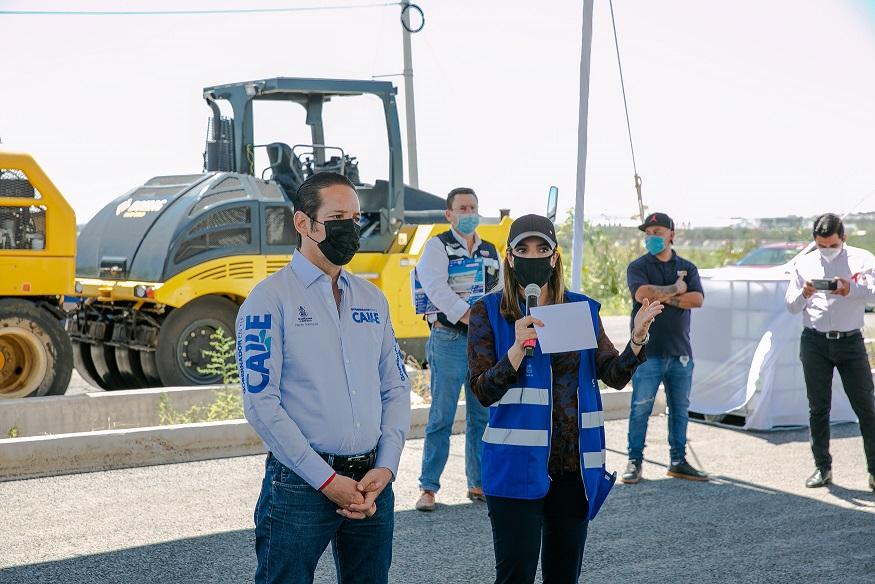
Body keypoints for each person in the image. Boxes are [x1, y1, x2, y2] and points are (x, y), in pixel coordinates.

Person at [236, 172, 411, 584]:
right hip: (300, 486)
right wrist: (328, 480)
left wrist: (385, 469)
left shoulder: (372, 299)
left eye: (355, 217)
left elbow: (395, 387)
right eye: (337, 217)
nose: (350, 228)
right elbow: (262, 404)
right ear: (304, 224)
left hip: (372, 484)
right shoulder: (268, 300)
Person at [468, 214, 662, 584]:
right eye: (523, 249)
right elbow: (482, 392)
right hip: (515, 467)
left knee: (563, 577)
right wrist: (514, 352)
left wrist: (636, 340)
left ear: (554, 258)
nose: (533, 256)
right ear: (509, 257)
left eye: (542, 249)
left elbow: (613, 374)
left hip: (574, 469)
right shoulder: (489, 311)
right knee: (515, 576)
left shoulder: (581, 309)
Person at [414, 187, 501, 511]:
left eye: (473, 207)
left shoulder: (491, 251)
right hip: (449, 340)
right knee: (441, 417)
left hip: (483, 345)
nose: (469, 213)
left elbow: (501, 291)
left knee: (482, 415)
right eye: (462, 208)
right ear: (449, 214)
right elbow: (435, 287)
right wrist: (469, 316)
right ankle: (428, 487)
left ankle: (478, 482)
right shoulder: (437, 247)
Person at [785, 213, 875, 491]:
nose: (826, 250)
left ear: (843, 238)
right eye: (821, 245)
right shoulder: (804, 262)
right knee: (818, 408)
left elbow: (873, 293)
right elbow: (791, 305)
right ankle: (822, 468)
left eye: (832, 245)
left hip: (850, 342)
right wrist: (805, 292)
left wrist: (851, 289)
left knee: (867, 408)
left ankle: (874, 470)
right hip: (814, 342)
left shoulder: (862, 259)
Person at [622, 211, 707, 484]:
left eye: (657, 232)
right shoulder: (638, 266)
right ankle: (634, 461)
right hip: (647, 352)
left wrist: (665, 295)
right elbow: (642, 294)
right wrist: (675, 289)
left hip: (680, 352)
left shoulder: (687, 267)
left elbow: (697, 299)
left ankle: (678, 461)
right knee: (640, 408)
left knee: (680, 409)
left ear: (672, 235)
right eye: (648, 233)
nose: (651, 238)